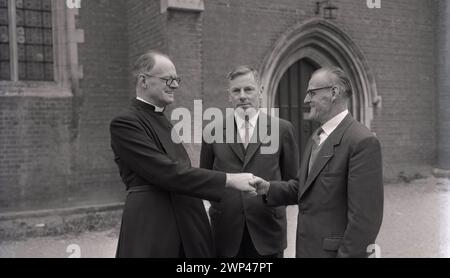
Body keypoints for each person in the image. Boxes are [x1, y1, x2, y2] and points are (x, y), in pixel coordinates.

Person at [109, 50, 256, 258]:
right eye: (169, 80)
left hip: (186, 224)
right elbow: (166, 172)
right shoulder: (126, 123)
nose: (176, 86)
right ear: (143, 81)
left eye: (177, 80)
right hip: (153, 226)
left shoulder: (162, 119)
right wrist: (229, 179)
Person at [251, 66, 384, 258]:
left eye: (312, 93)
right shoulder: (317, 136)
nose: (306, 100)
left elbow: (365, 222)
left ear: (333, 93)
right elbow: (304, 189)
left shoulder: (361, 142)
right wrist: (268, 189)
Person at [200, 65, 299, 258]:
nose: (242, 96)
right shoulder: (211, 131)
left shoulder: (283, 130)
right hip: (225, 234)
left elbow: (293, 185)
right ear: (229, 95)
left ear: (260, 92)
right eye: (236, 90)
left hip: (268, 232)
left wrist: (269, 191)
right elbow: (206, 181)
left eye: (249, 89)